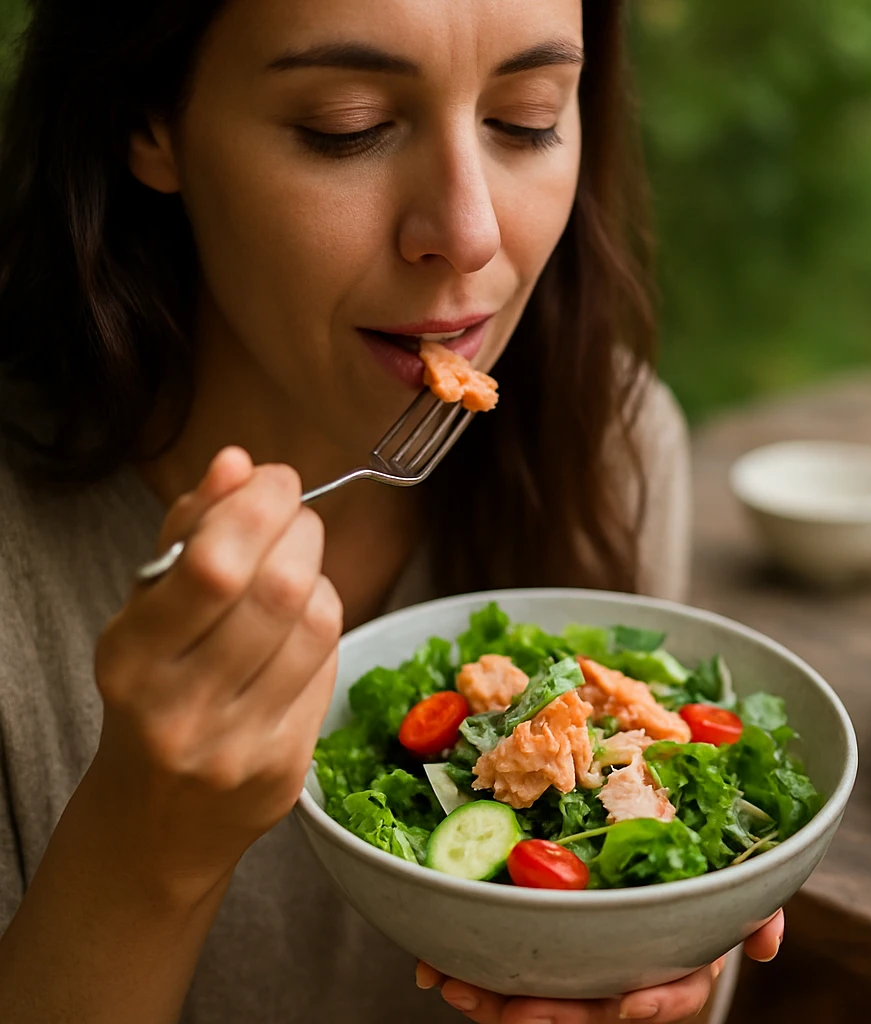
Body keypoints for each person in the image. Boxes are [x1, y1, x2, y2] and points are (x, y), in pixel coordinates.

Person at [0, 0, 783, 1021]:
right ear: (150, 122)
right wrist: (147, 847)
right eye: (347, 125)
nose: (468, 234)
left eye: (528, 118)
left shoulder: (613, 448)